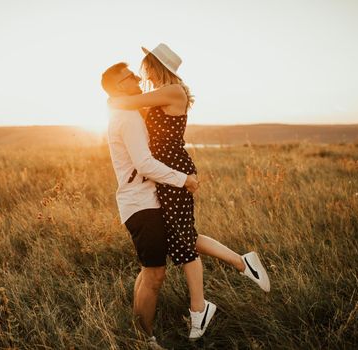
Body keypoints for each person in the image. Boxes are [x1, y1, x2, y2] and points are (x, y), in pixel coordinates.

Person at [108, 43, 271, 340]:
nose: (143, 74)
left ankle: (200, 309)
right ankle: (240, 262)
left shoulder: (173, 91)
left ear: (157, 66)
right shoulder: (161, 93)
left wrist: (116, 97)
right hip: (167, 176)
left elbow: (126, 104)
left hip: (175, 173)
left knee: (182, 242)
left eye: (145, 68)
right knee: (185, 236)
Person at [101, 62, 199, 347]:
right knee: (155, 275)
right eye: (129, 76)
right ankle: (145, 339)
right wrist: (184, 180)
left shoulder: (126, 111)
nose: (136, 77)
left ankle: (138, 327)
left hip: (141, 201)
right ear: (120, 86)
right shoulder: (127, 118)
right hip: (141, 204)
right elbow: (144, 164)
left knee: (148, 270)